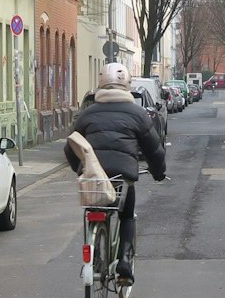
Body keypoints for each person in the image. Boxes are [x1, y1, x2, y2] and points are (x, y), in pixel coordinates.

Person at [67, 62, 167, 283]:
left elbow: (71, 146)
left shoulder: (87, 114)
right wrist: (158, 172)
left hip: (94, 179)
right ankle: (124, 263)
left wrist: (80, 169)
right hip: (122, 178)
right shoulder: (138, 114)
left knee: (94, 210)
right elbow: (154, 150)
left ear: (101, 84)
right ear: (127, 85)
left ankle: (95, 254)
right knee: (126, 215)